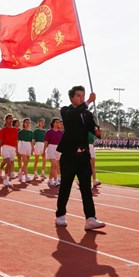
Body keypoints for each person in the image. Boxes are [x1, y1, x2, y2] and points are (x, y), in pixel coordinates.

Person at [55, 85, 105, 231]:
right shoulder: (66, 111)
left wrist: (97, 132)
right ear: (71, 98)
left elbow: (93, 130)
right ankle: (60, 215)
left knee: (86, 188)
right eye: (78, 96)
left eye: (83, 96)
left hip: (83, 156)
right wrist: (89, 101)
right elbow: (74, 116)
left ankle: (90, 218)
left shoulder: (88, 114)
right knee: (65, 186)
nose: (81, 98)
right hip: (69, 156)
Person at [0, 113, 18, 188]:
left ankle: (0, 170)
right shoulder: (3, 129)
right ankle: (6, 179)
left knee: (9, 163)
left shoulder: (15, 130)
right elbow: (1, 140)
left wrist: (17, 149)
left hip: (12, 148)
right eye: (9, 118)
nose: (10, 120)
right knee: (9, 163)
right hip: (5, 147)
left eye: (11, 118)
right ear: (6, 120)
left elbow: (16, 140)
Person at [44, 118, 63, 188]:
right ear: (53, 123)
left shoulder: (61, 132)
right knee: (55, 165)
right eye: (56, 122)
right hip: (51, 148)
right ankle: (56, 181)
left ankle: (49, 179)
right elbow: (46, 142)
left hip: (58, 149)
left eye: (58, 122)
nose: (57, 124)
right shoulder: (49, 132)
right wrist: (43, 150)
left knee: (53, 166)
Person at [17, 118, 34, 183]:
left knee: (26, 162)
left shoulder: (31, 132)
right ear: (24, 123)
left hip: (28, 146)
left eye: (29, 122)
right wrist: (17, 149)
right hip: (22, 146)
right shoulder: (21, 132)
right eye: (26, 122)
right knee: (25, 161)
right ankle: (27, 176)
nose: (28, 123)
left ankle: (21, 171)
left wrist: (32, 148)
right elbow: (17, 141)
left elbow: (31, 141)